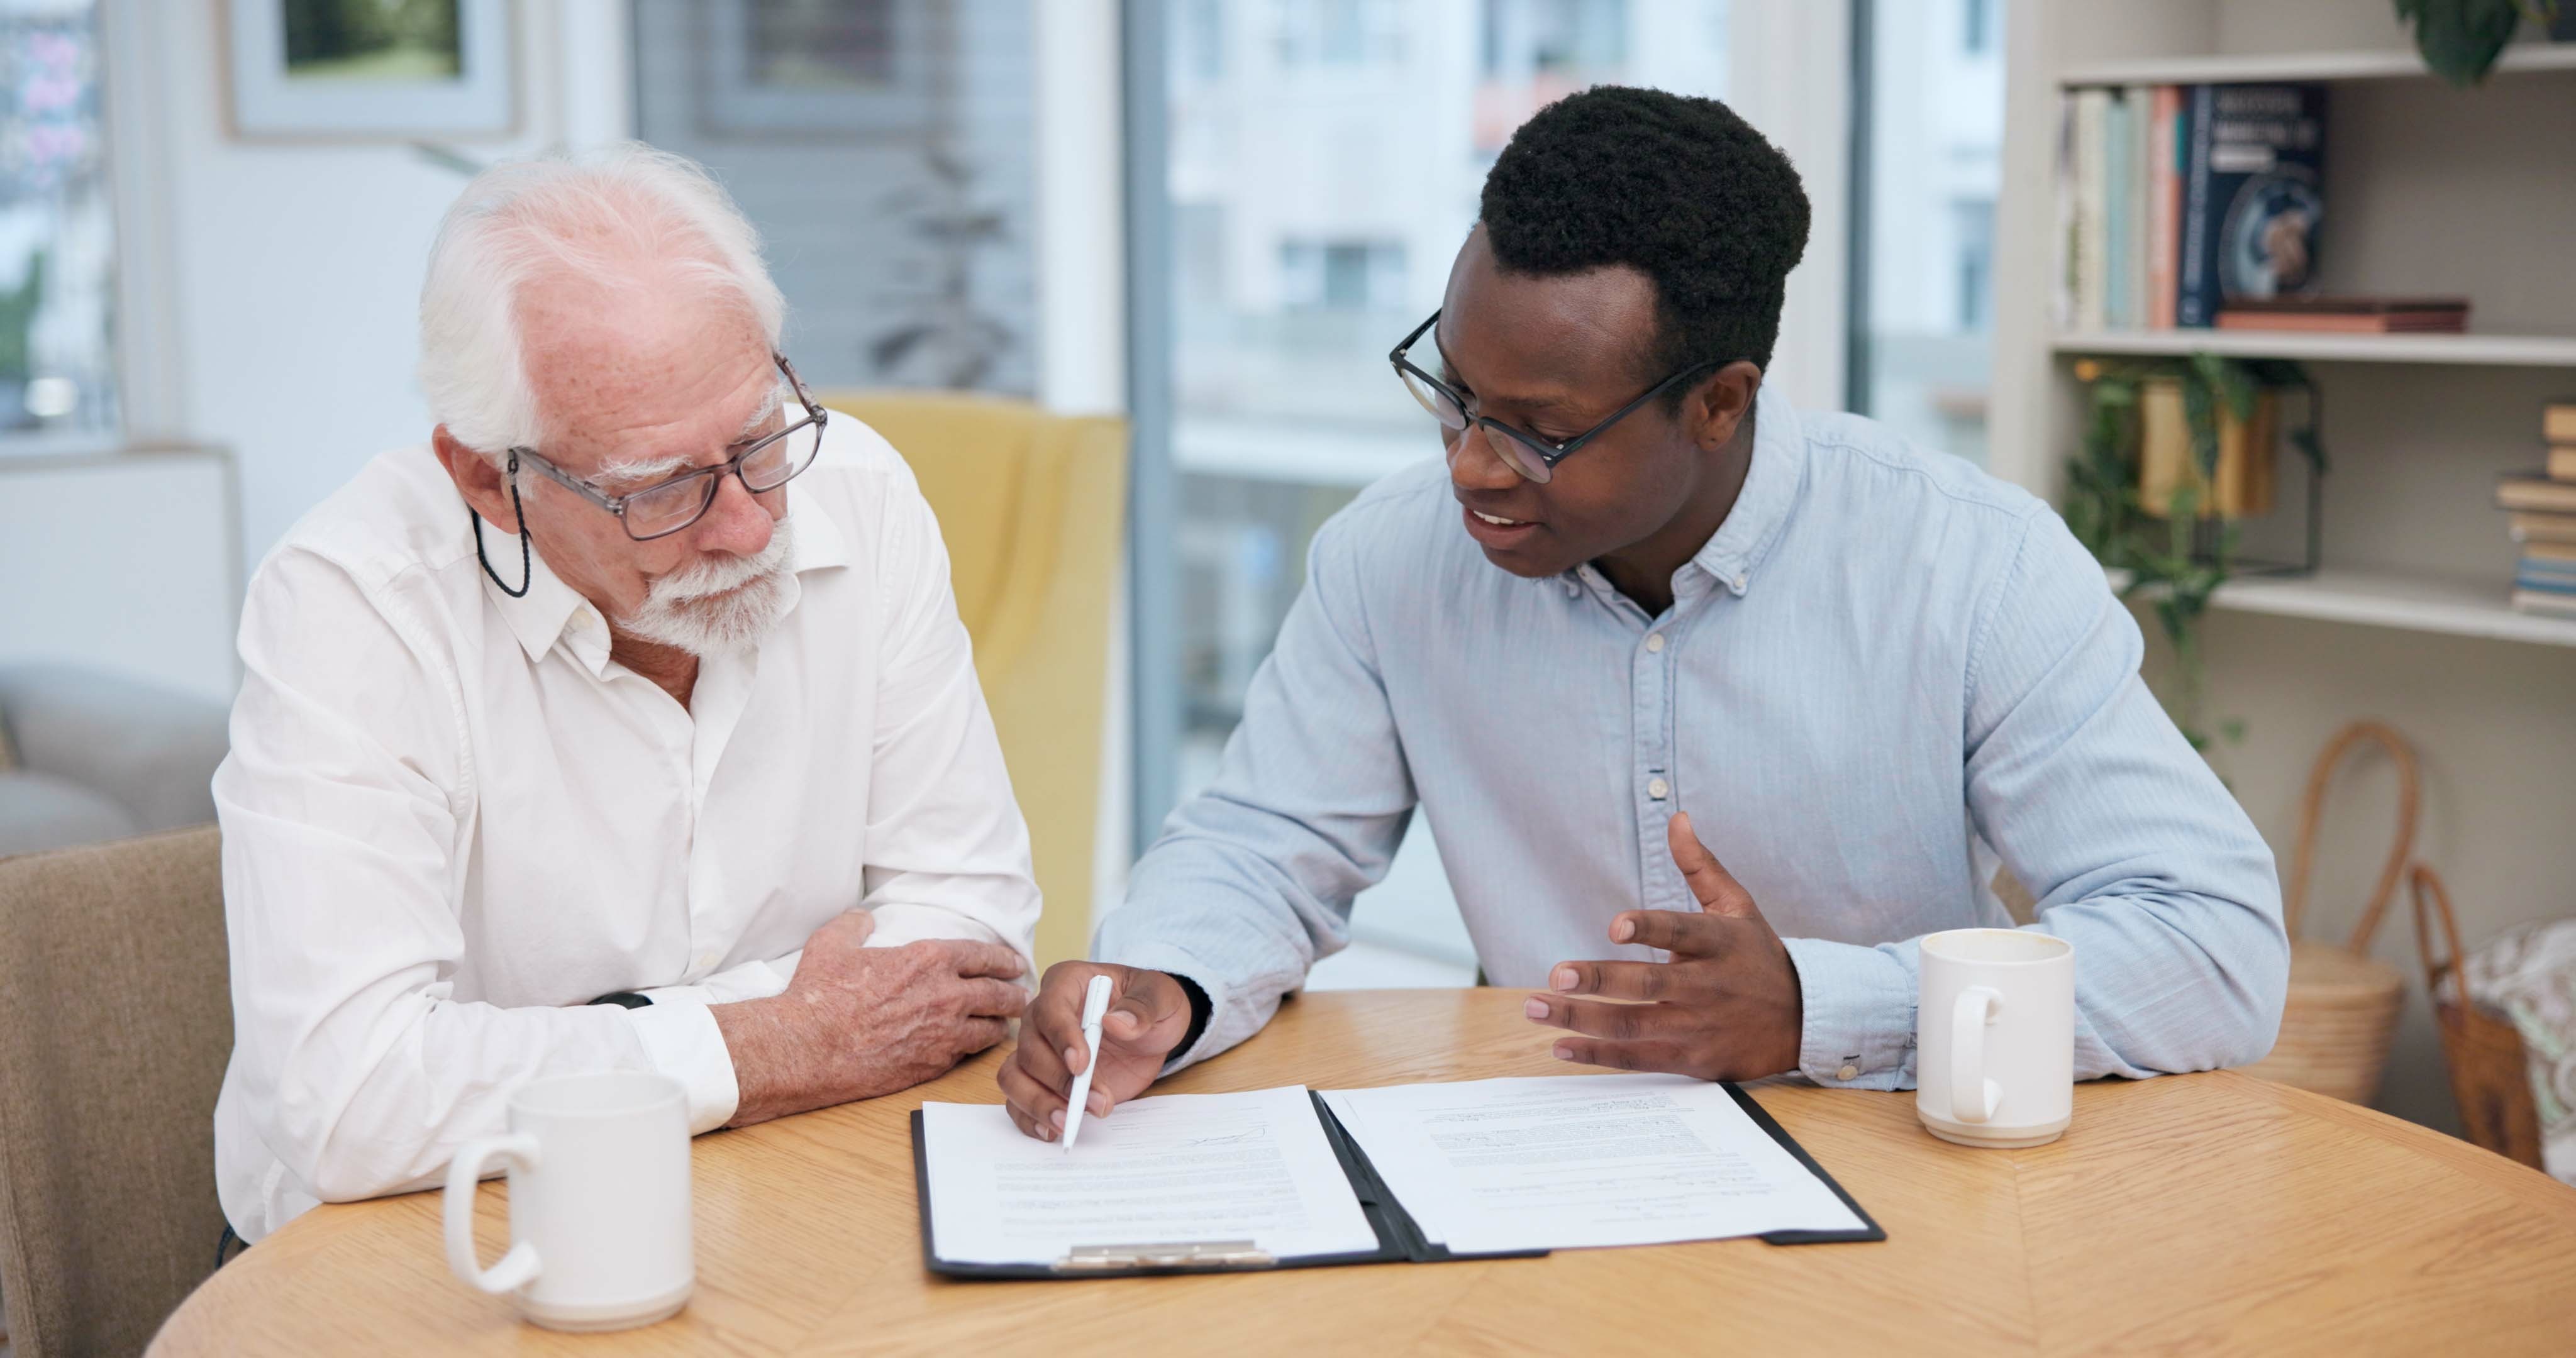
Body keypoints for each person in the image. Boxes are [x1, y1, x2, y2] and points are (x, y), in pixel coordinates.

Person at [1000, 87, 2287, 1140]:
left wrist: (1818, 1008)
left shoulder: (1970, 565)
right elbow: (1263, 845)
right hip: (1531, 1165)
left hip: (1897, 1174)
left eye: (1539, 431)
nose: (1470, 465)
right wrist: (1162, 982)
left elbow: (2211, 947)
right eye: (1454, 394)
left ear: (1719, 403)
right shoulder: (1386, 560)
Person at [213, 145, 1037, 1241]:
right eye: (664, 489)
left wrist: (607, 1048)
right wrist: (786, 1039)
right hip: (428, 1234)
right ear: (488, 479)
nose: (748, 525)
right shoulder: (353, 601)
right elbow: (351, 1099)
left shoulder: (861, 491)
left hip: (788, 1178)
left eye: (758, 440)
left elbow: (977, 933)